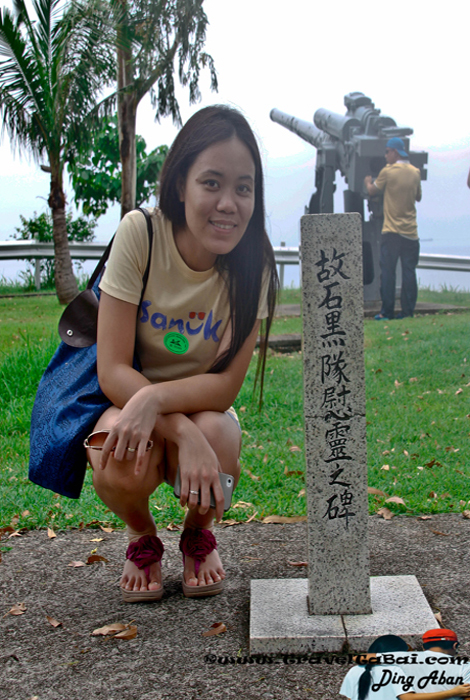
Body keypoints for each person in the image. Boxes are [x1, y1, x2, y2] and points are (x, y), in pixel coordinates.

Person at [84, 106, 278, 602]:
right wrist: (171, 422)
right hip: (129, 399)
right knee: (117, 454)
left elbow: (226, 388)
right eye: (211, 183)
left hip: (203, 408)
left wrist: (188, 424)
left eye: (243, 187)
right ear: (181, 186)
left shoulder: (253, 265)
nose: (228, 203)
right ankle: (142, 533)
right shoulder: (141, 234)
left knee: (218, 433)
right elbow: (112, 369)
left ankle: (197, 531)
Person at [364, 137, 422, 321]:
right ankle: (407, 312)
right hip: (411, 233)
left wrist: (367, 181)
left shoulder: (388, 172)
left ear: (395, 152)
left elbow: (373, 190)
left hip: (391, 231)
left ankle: (386, 312)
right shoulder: (415, 172)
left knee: (388, 272)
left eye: (387, 151)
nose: (385, 155)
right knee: (409, 272)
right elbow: (418, 197)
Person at [340, 634, 470, 700]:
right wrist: (454, 692)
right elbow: (408, 698)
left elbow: (350, 697)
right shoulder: (395, 671)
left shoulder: (354, 671)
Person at [378, 629, 470, 698]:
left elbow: (365, 658)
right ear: (455, 646)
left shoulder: (402, 659)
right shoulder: (465, 667)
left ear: (423, 647)